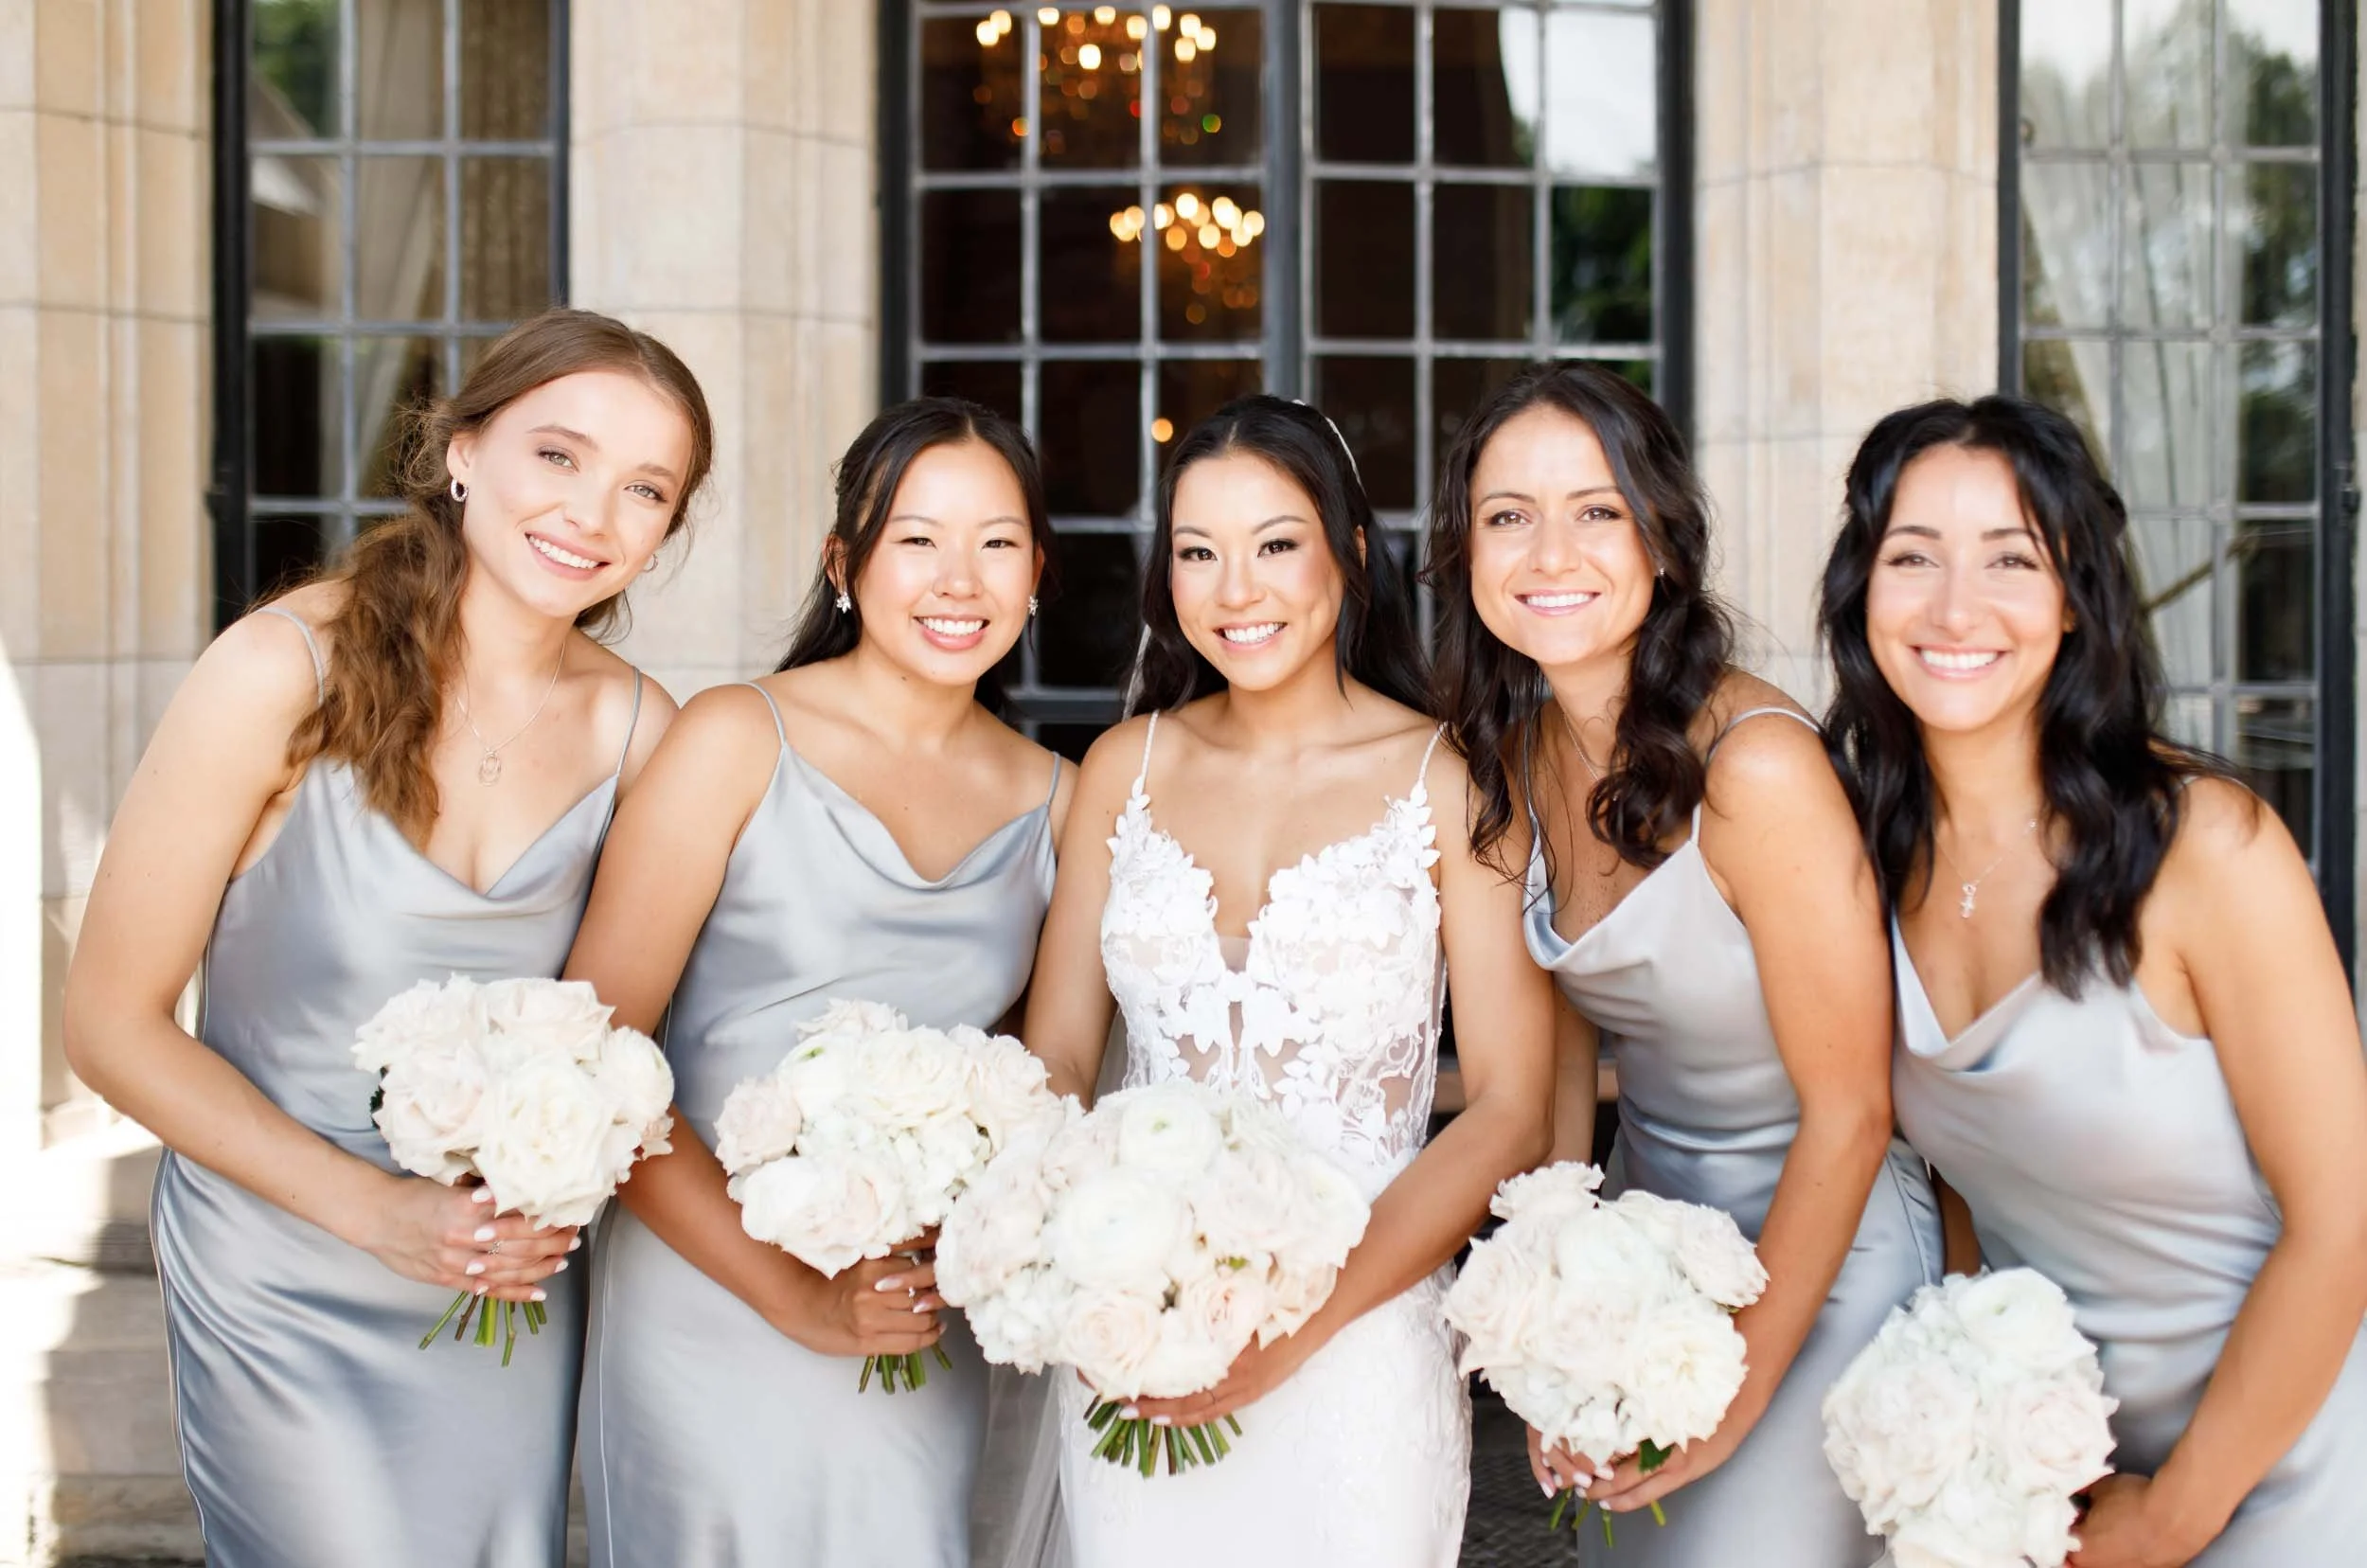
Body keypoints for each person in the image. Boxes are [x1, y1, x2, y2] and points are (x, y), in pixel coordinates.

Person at [61, 309, 712, 1568]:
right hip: (279, 1258)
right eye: (558, 456)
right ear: (461, 450)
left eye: (645, 489)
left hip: (496, 1278)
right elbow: (109, 1026)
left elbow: (629, 1026)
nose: (592, 513)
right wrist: (376, 1214)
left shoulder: (645, 732)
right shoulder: (279, 670)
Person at [1822, 394, 2367, 1565]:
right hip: (2055, 1484)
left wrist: (2175, 1515)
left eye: (2010, 559)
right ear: (1860, 590)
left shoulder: (2206, 848)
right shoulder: (1867, 856)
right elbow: (1965, 1191)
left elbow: (2343, 1223)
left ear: (2074, 600)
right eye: (1911, 557)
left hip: (2289, 1459)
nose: (1954, 608)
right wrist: (1980, 1448)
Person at [1020, 395, 1556, 1567]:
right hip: (1136, 1334)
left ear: (1351, 553)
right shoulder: (1124, 766)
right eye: (1197, 554)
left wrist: (1298, 1320)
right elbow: (1057, 1059)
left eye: (1274, 545)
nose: (1235, 591)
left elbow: (1511, 1103)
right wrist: (1081, 1256)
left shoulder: (1452, 779)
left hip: (1360, 1346)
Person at [1429, 361, 1939, 1563]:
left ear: (1661, 539)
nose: (1549, 553)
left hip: (1826, 1257)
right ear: (1465, 553)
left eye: (1596, 511)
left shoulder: (1756, 771)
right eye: (1509, 517)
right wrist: (1555, 1343)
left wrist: (1736, 1395)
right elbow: (1558, 1098)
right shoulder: (1512, 756)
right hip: (1645, 1269)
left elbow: (1855, 1108)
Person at [565, 398, 1072, 1568]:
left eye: (996, 543)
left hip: (908, 1309)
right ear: (844, 563)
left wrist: (967, 1220)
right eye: (916, 539)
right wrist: (794, 1297)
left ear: (1037, 571)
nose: (960, 579)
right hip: (708, 1293)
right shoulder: (736, 738)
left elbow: (1048, 1083)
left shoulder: (1058, 797)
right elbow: (597, 1054)